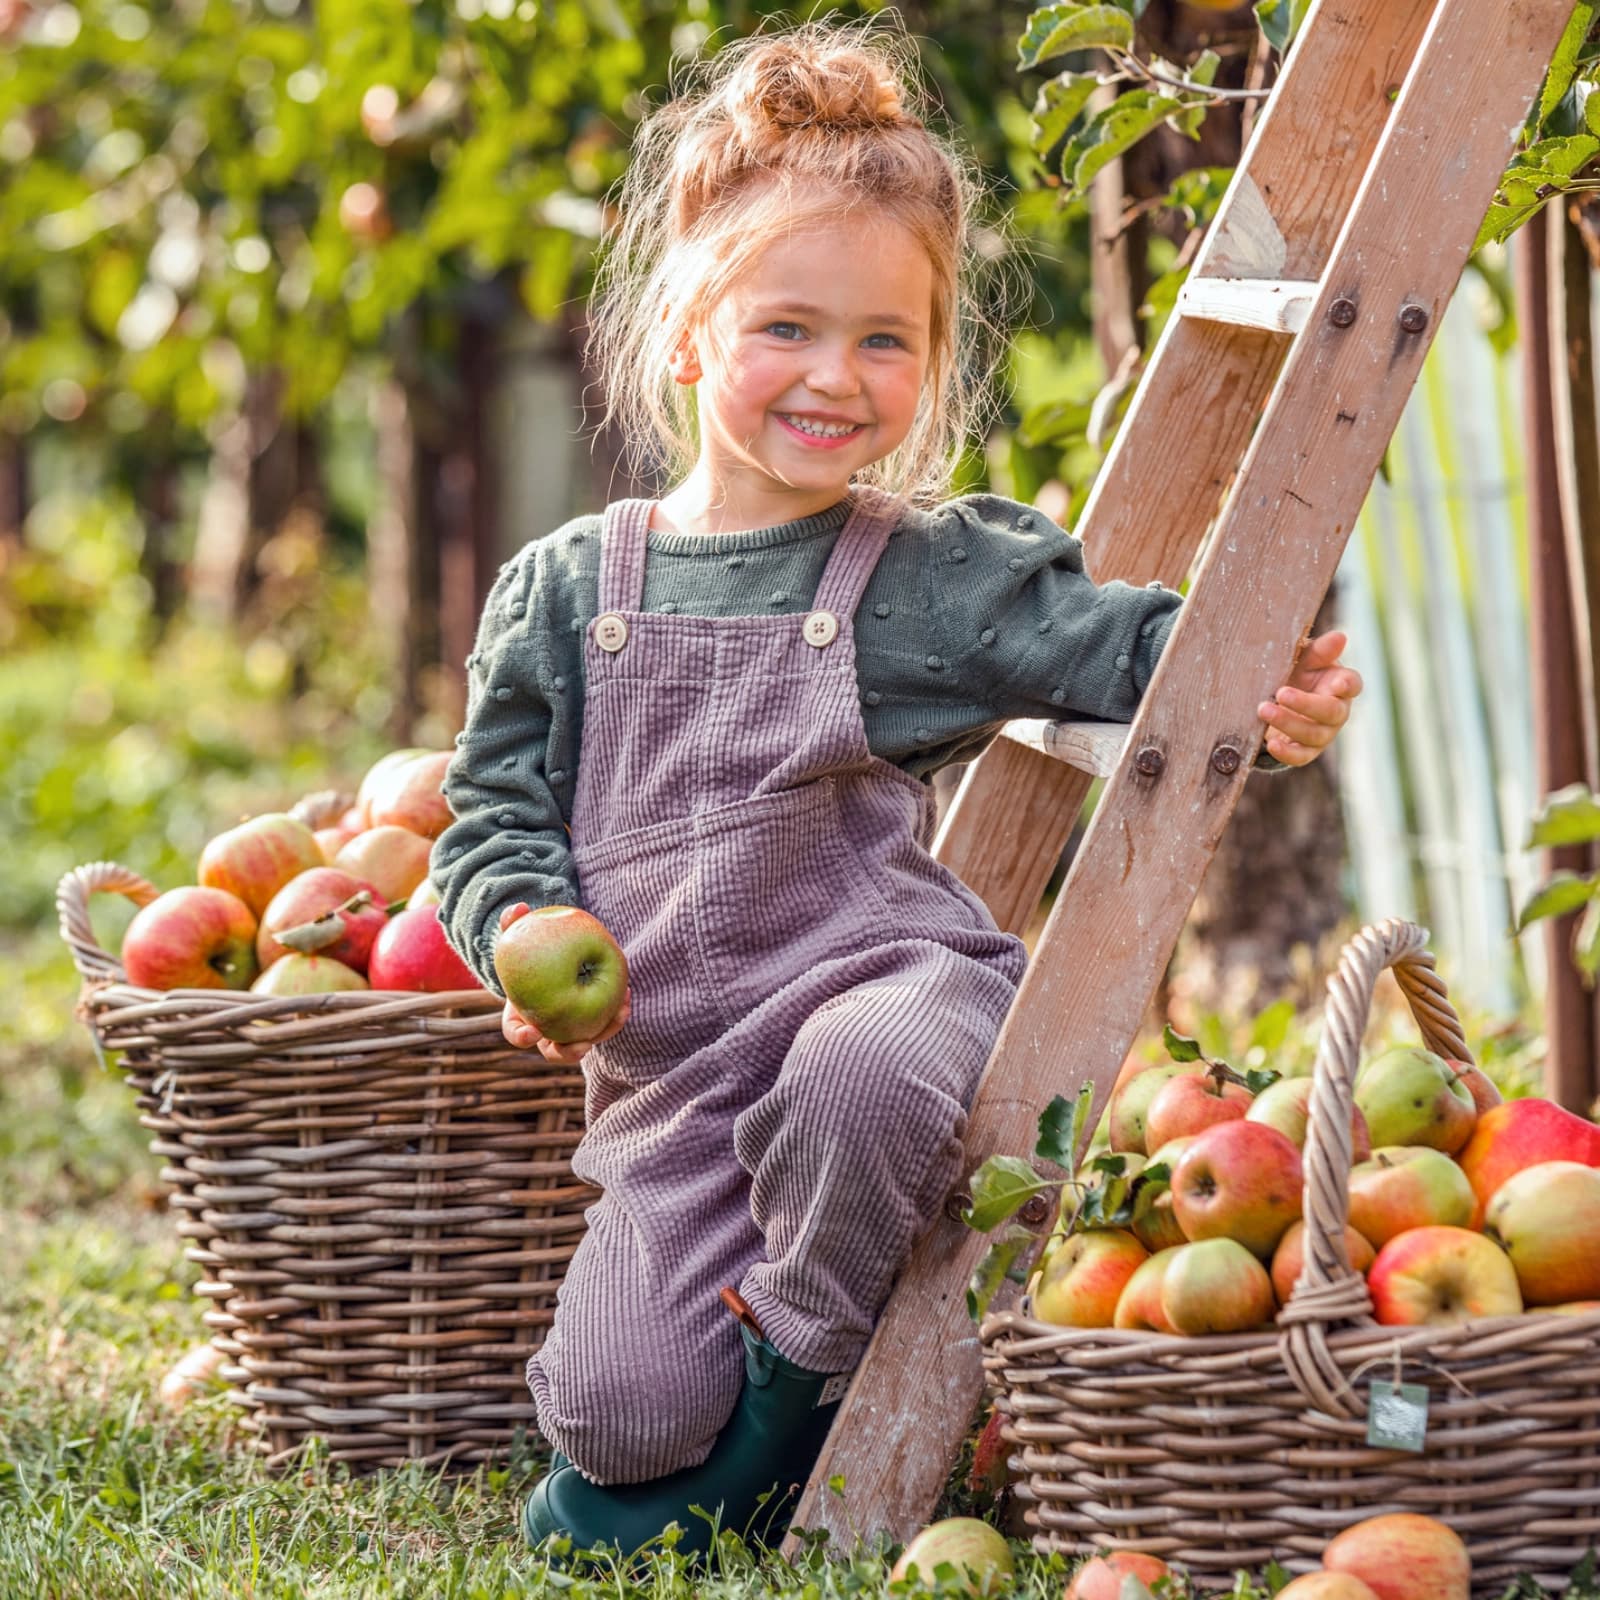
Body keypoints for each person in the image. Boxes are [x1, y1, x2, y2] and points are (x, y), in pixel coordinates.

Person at [430, 18, 1362, 1561]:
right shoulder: (565, 589)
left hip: (890, 1005)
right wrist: (520, 920)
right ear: (688, 334)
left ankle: (795, 1391)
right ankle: (770, 1368)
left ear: (932, 361)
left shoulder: (908, 576)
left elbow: (1117, 644)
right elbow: (492, 816)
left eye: (886, 341)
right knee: (608, 1416)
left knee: (856, 1076)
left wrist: (1261, 689)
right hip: (680, 1097)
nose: (836, 378)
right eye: (787, 328)